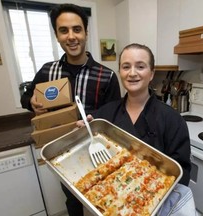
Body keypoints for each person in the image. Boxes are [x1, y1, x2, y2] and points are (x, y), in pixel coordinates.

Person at [20, 3, 121, 216]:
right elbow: (26, 96)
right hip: (62, 152)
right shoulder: (48, 71)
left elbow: (115, 115)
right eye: (63, 30)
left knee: (107, 197)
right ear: (57, 36)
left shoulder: (106, 76)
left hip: (97, 149)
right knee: (72, 200)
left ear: (86, 32)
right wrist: (32, 102)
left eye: (77, 29)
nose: (71, 36)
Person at [77, 43, 191, 186]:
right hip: (110, 193)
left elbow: (181, 173)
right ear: (120, 72)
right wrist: (83, 134)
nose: (132, 73)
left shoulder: (173, 120)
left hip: (151, 196)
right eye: (126, 67)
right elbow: (89, 157)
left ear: (152, 74)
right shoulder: (104, 114)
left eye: (140, 66)